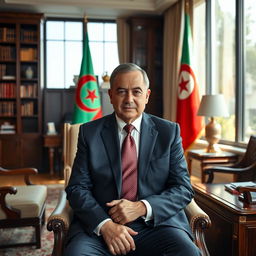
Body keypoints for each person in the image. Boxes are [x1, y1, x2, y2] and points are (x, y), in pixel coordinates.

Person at [64, 63, 201, 256]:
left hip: (156, 225)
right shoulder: (89, 133)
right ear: (111, 95)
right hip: (101, 227)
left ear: (147, 95)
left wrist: (141, 207)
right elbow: (77, 188)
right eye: (121, 91)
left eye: (136, 92)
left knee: (188, 252)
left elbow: (183, 188)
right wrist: (105, 225)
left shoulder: (168, 132)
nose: (129, 99)